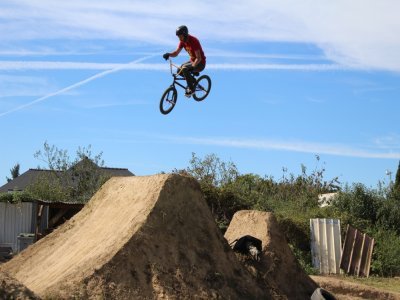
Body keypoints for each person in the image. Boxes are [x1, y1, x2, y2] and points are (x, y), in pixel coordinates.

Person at [163, 25, 206, 97]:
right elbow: (176, 53)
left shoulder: (194, 41)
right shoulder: (182, 42)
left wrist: (193, 66)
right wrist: (168, 54)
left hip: (200, 63)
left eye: (180, 36)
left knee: (185, 69)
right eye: (178, 37)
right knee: (179, 71)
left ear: (185, 34)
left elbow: (199, 58)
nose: (179, 38)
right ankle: (193, 81)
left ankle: (191, 90)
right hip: (193, 61)